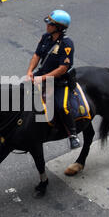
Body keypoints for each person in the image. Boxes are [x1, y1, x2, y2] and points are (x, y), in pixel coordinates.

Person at [26, 10, 80, 149]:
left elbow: (63, 68)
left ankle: (72, 135)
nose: (47, 25)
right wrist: (30, 71)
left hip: (58, 82)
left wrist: (43, 78)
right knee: (20, 93)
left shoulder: (67, 44)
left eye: (50, 24)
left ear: (59, 28)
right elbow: (37, 55)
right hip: (40, 75)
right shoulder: (46, 37)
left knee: (62, 107)